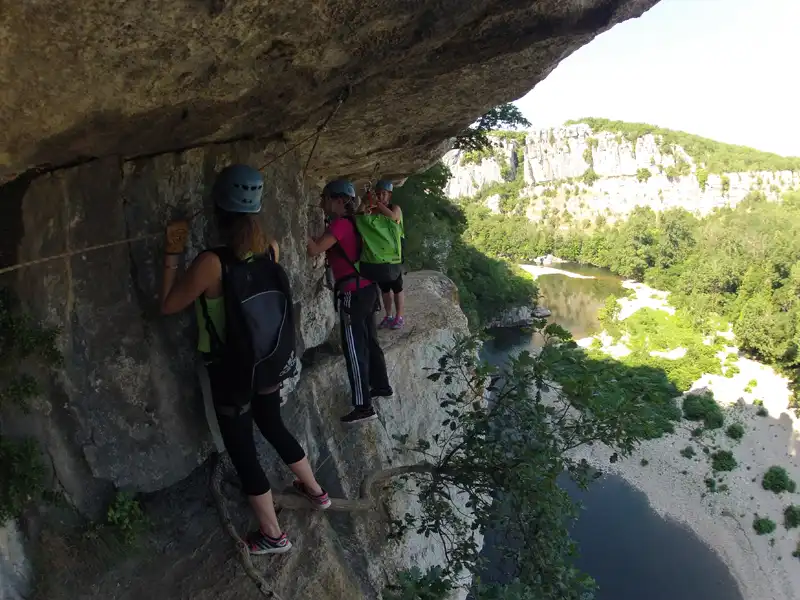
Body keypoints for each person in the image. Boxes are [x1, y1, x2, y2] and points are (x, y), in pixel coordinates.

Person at [159, 164, 330, 556]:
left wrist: (171, 253)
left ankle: (272, 534)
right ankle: (317, 492)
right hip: (267, 361)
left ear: (217, 211)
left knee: (242, 449)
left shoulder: (211, 263)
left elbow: (169, 304)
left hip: (230, 370)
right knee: (272, 423)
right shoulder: (270, 248)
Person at [307, 179, 393, 425]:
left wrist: (298, 231)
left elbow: (314, 250)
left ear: (338, 200)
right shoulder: (358, 222)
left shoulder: (341, 225)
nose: (322, 204)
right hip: (367, 289)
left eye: (325, 199)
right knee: (370, 341)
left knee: (354, 349)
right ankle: (381, 386)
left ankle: (363, 406)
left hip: (352, 294)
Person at [357, 179, 406, 330]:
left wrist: (376, 203)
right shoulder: (373, 210)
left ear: (389, 195)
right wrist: (365, 202)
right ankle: (388, 315)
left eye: (383, 194)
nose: (381, 196)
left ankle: (399, 316)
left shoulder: (394, 208)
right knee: (384, 288)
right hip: (379, 257)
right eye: (378, 194)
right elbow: (358, 216)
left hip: (394, 255)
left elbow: (393, 218)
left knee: (397, 288)